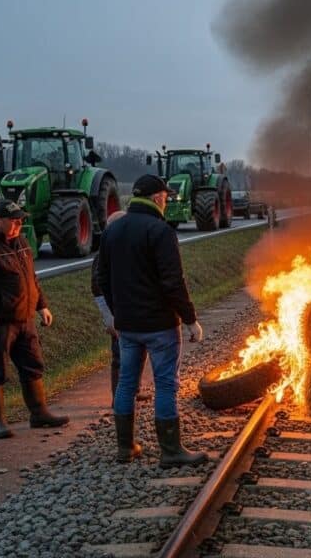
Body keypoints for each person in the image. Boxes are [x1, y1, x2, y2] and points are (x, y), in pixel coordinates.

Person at [99, 174, 206, 467]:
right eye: (165, 198)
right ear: (157, 198)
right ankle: (170, 451)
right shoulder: (161, 231)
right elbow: (173, 282)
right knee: (166, 385)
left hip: (128, 327)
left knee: (126, 384)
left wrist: (118, 312)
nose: (166, 202)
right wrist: (190, 319)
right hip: (160, 327)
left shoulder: (113, 230)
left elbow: (102, 279)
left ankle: (125, 448)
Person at [0, 200, 69, 438]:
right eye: (14, 221)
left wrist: (42, 305)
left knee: (33, 365)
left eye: (21, 220)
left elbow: (31, 276)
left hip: (25, 318)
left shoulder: (21, 242)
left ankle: (39, 413)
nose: (19, 224)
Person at [91, 210, 145, 407]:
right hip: (117, 313)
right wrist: (108, 316)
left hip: (135, 310)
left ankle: (135, 391)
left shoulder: (128, 248)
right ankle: (118, 397)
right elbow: (97, 287)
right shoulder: (104, 253)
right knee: (120, 355)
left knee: (140, 351)